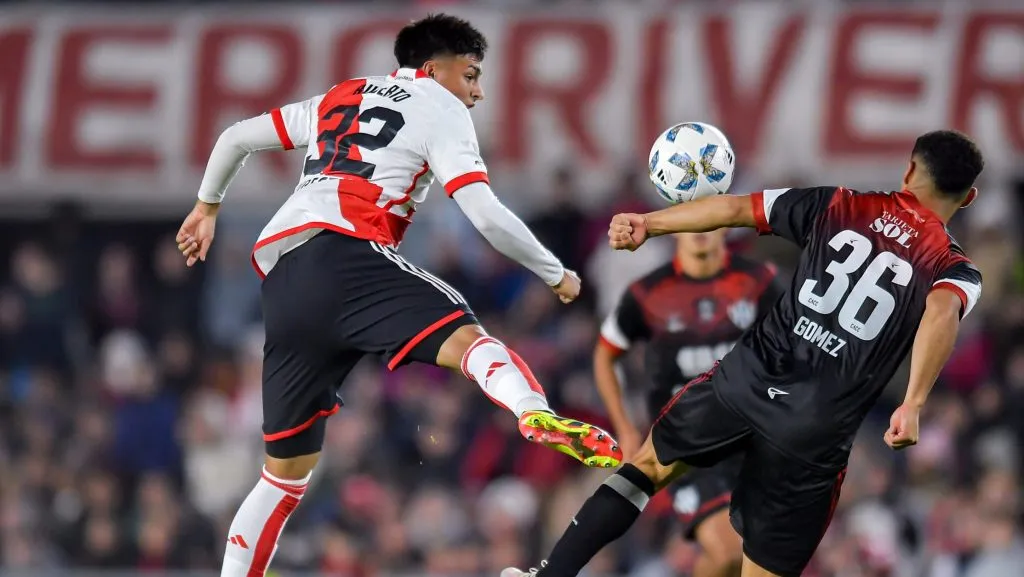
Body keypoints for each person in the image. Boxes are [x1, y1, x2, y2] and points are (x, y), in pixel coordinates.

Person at [174, 14, 622, 577]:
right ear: (433, 70)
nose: (478, 92)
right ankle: (533, 412)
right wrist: (555, 272)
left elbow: (235, 137)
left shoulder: (342, 94)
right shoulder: (441, 106)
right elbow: (484, 213)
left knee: (282, 478)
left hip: (284, 279)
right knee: (467, 337)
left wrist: (207, 206)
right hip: (349, 254)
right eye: (471, 75)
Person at [502, 129, 984, 577]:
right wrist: (914, 403)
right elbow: (942, 313)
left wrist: (649, 223)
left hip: (747, 381)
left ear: (908, 172)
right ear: (967, 198)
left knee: (644, 470)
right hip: (814, 429)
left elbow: (733, 209)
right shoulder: (955, 268)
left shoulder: (840, 203)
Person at [595, 230, 781, 577]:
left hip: (750, 438)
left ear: (723, 222)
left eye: (707, 218)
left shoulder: (758, 281)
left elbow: (794, 347)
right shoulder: (648, 291)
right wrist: (624, 426)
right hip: (685, 442)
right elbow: (606, 354)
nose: (699, 231)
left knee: (753, 559)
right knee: (728, 551)